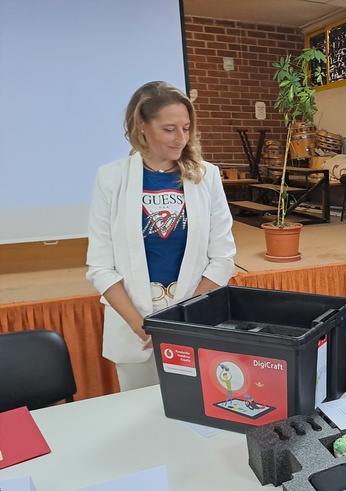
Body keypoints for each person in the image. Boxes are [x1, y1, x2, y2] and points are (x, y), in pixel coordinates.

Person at [86, 81, 237, 391]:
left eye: (186, 128)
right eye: (169, 129)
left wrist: (182, 320)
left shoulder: (206, 176)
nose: (181, 138)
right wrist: (142, 327)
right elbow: (100, 267)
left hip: (191, 324)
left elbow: (222, 257)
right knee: (141, 419)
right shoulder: (111, 178)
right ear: (142, 127)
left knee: (195, 413)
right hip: (133, 330)